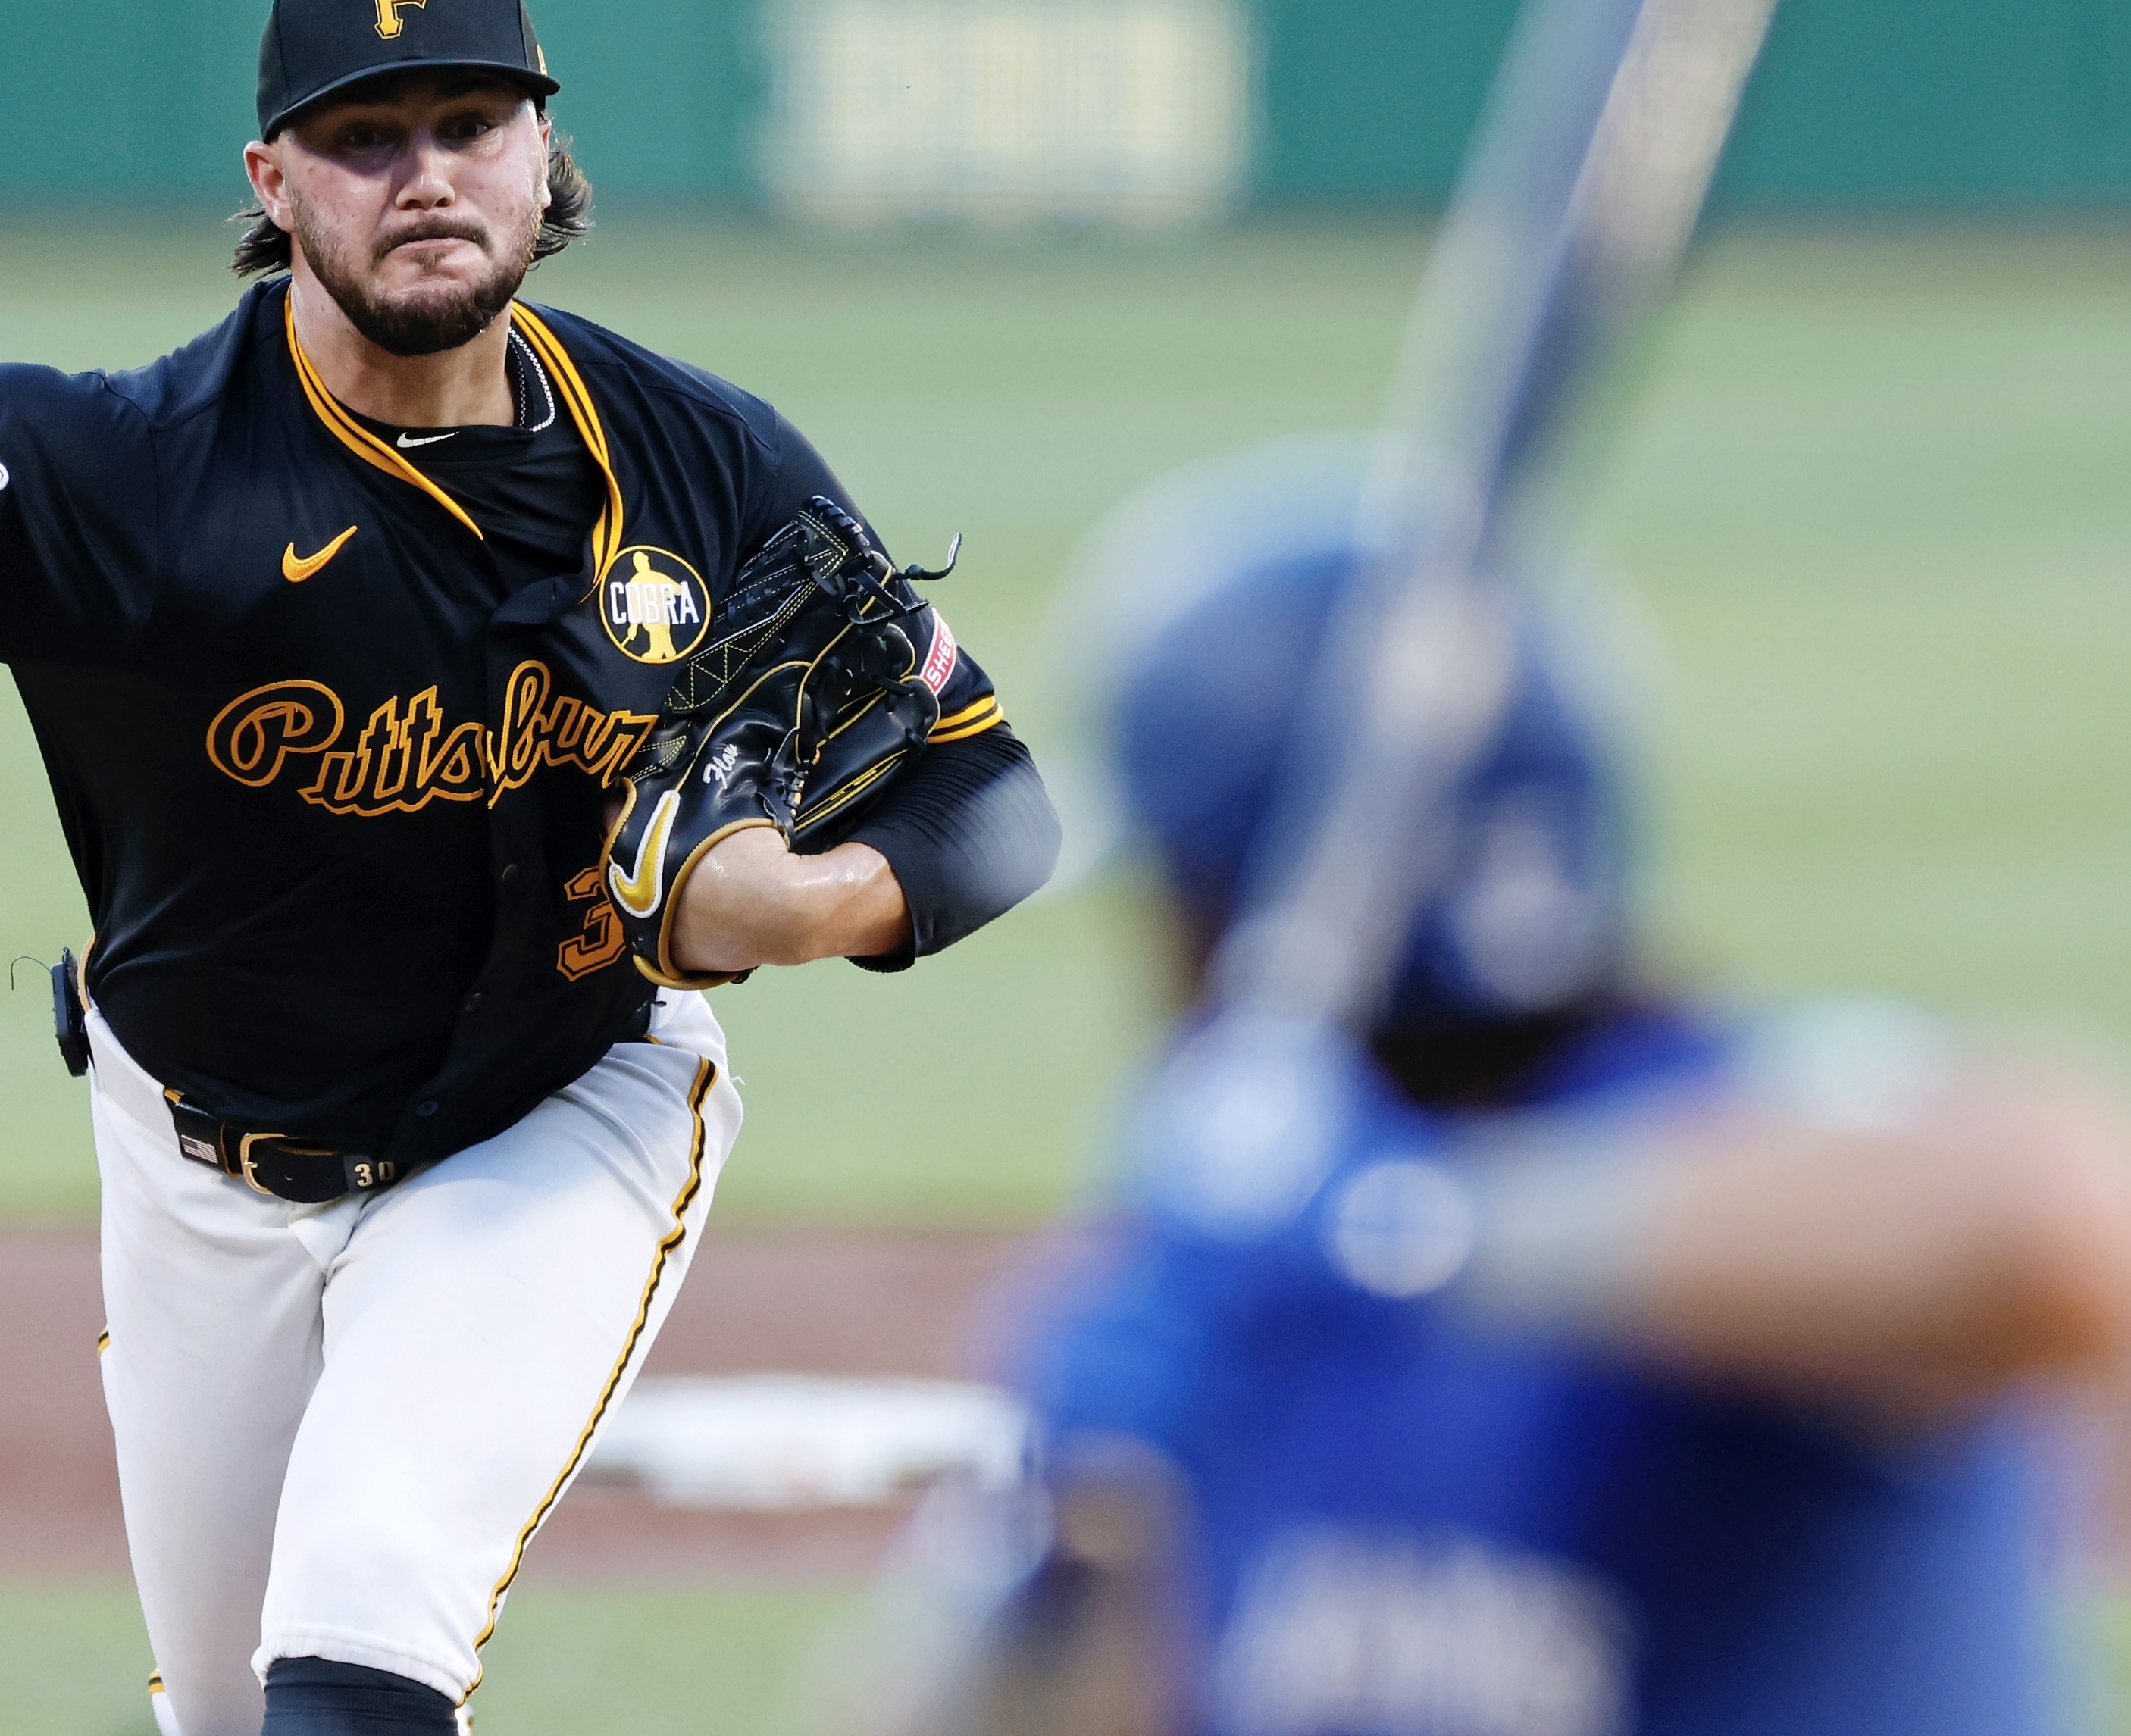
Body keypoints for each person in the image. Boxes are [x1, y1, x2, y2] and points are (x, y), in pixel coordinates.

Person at [0, 0, 1057, 1736]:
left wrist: (818, 903)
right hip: (195, 1165)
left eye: (471, 120)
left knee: (365, 1627)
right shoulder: (122, 472)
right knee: (234, 1716)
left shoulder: (707, 463)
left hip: (553, 1113)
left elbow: (992, 791)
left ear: (546, 155)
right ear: (272, 183)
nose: (427, 174)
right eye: (364, 136)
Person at [894, 445, 2131, 1736]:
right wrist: (1054, 1550)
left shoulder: (1742, 1154)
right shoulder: (1220, 1290)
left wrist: (1390, 1227)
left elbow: (2046, 1229)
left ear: (1222, 901)